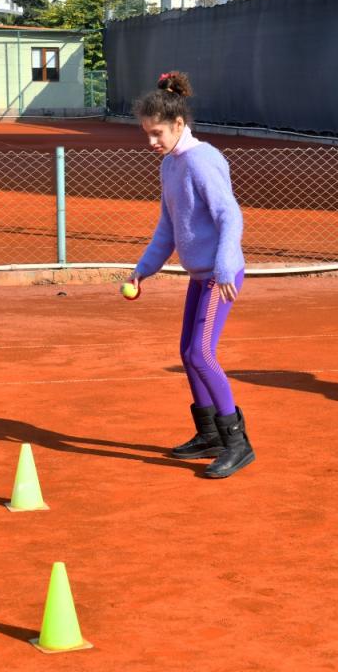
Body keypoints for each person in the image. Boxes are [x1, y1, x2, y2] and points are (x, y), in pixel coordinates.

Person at [127, 71, 253, 478]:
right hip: (201, 273)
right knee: (187, 352)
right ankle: (210, 435)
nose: (151, 142)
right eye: (147, 133)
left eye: (157, 133)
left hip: (220, 273)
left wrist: (223, 266)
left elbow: (229, 214)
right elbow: (168, 227)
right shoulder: (170, 166)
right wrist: (144, 268)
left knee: (202, 352)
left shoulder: (202, 159)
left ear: (179, 124)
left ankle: (238, 443)